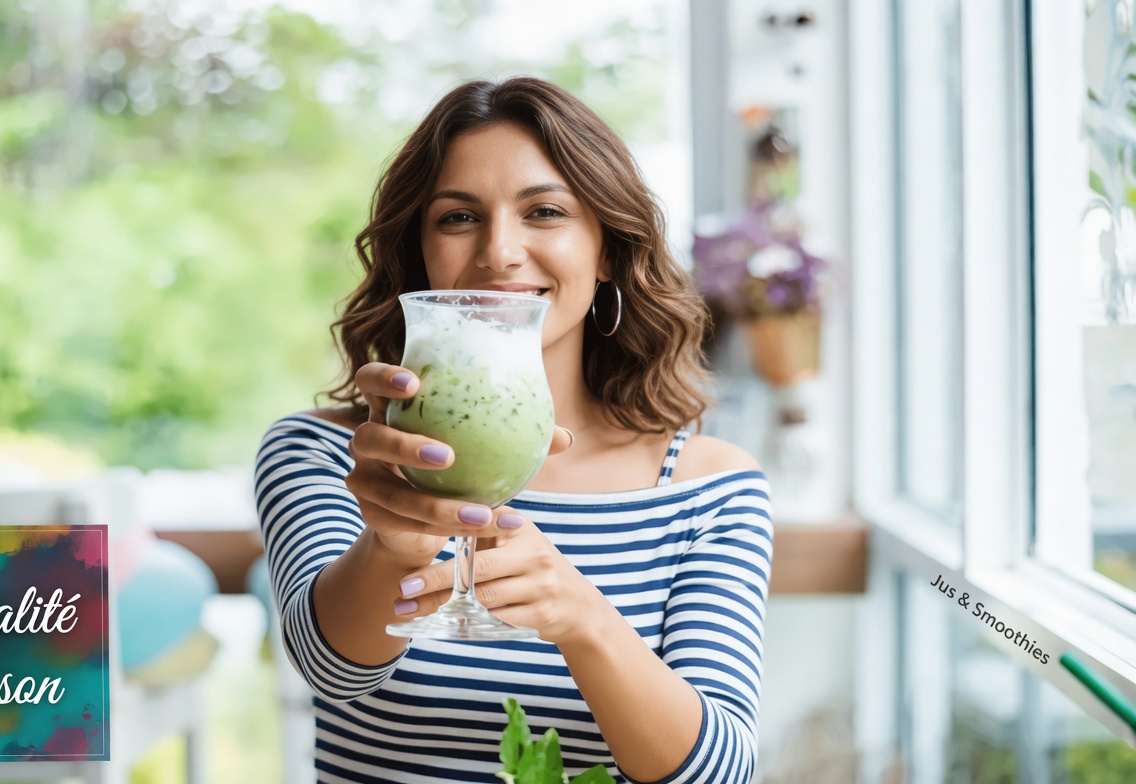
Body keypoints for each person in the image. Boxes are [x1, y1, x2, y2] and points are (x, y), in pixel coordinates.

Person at [255, 76, 773, 784]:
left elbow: (719, 775)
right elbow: (330, 672)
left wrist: (582, 618)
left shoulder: (710, 488)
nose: (499, 251)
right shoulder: (334, 454)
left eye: (545, 211)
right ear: (421, 252)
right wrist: (390, 550)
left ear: (609, 249)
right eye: (459, 218)